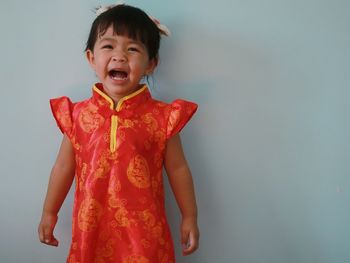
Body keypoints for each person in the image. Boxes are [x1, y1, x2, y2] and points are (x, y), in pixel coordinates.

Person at [38, 3, 199, 262]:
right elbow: (63, 167)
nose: (120, 56)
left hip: (144, 234)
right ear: (91, 58)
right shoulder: (77, 115)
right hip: (90, 230)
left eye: (132, 48)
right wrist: (49, 212)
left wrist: (190, 216)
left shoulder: (163, 118)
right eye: (109, 46)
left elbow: (179, 169)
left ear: (151, 63)